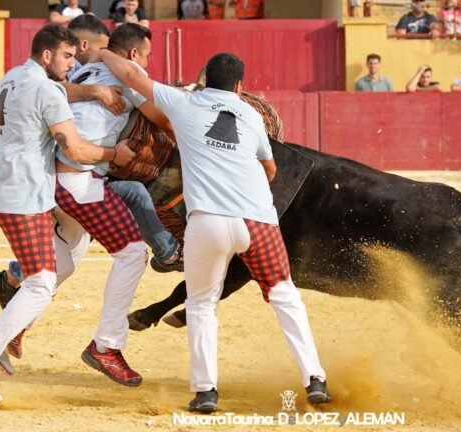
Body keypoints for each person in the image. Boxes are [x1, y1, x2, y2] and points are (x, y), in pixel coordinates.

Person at [95, 49, 332, 413]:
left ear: (205, 78)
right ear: (240, 85)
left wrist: (100, 52)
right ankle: (315, 379)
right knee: (285, 296)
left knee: (202, 304)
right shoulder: (252, 116)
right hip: (258, 221)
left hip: (208, 222)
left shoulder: (184, 102)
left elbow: (129, 73)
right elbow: (269, 170)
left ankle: (206, 391)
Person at [0, 24, 136, 404]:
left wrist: (93, 90)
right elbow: (78, 151)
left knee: (56, 266)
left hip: (3, 189)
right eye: (67, 57)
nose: (73, 64)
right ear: (48, 55)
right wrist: (115, 155)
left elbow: (59, 90)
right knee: (41, 282)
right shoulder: (48, 90)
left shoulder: (14, 76)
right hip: (24, 196)